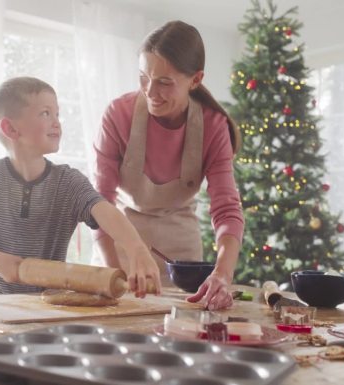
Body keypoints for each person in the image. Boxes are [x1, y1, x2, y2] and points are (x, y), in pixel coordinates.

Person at [0, 76, 161, 297]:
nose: (57, 122)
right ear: (10, 128)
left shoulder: (68, 182)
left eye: (57, 114)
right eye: (45, 113)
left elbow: (105, 212)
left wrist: (137, 249)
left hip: (45, 306)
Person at [93, 21, 244, 310]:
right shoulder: (117, 114)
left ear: (196, 80)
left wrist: (222, 275)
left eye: (164, 82)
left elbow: (226, 209)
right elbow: (100, 202)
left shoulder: (213, 126)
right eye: (143, 77)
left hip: (181, 252)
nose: (150, 91)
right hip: (120, 239)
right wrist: (113, 270)